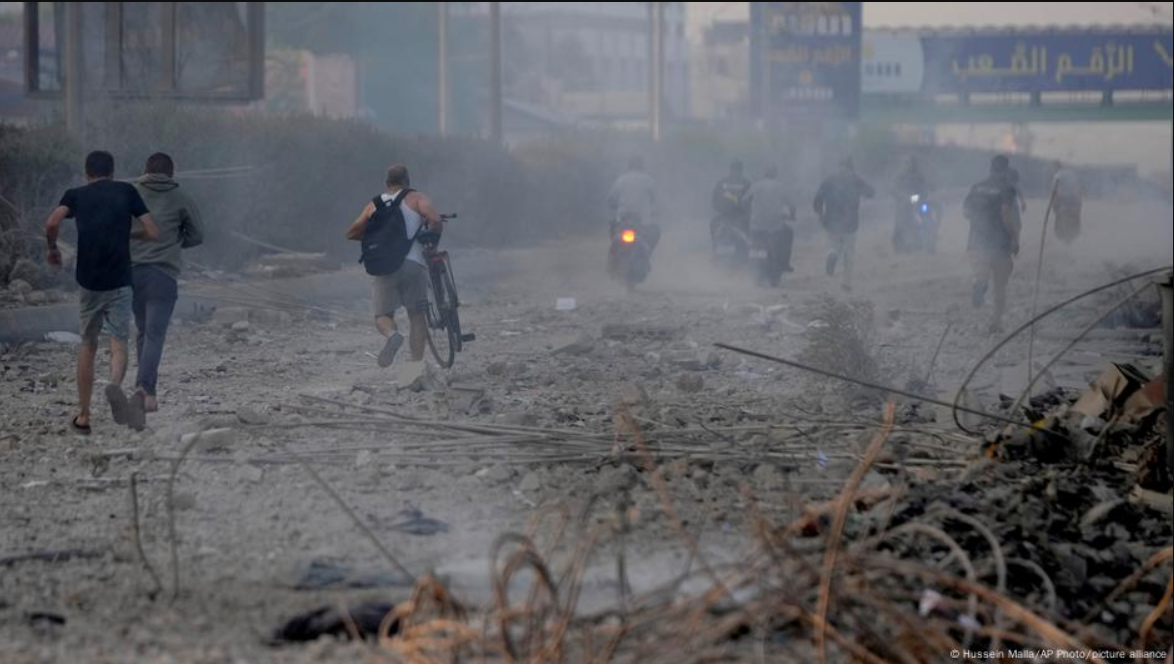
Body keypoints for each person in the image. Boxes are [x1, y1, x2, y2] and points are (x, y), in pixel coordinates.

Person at [44, 150, 159, 434]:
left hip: (89, 282)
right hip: (120, 280)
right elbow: (152, 231)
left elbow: (52, 222)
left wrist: (53, 249)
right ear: (113, 172)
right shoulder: (126, 191)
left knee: (88, 344)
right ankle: (114, 385)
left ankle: (83, 416)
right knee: (118, 341)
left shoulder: (76, 194)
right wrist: (129, 234)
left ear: (87, 173)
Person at [129, 152, 205, 416]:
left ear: (145, 169)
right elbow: (197, 235)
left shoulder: (131, 193)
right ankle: (145, 389)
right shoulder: (181, 197)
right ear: (172, 173)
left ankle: (147, 394)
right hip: (163, 275)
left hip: (133, 273)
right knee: (155, 334)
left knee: (142, 331)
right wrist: (174, 243)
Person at [346, 164, 442, 367]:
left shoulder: (374, 204)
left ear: (386, 183)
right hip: (413, 264)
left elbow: (352, 232)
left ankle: (392, 334)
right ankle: (415, 367)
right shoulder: (416, 198)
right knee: (417, 315)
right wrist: (432, 240)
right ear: (408, 181)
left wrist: (376, 237)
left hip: (383, 266)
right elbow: (434, 219)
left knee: (382, 316)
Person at [963, 155, 1021, 334]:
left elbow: (966, 212)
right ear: (1005, 170)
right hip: (1000, 243)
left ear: (990, 168)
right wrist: (1015, 238)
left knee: (981, 273)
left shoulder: (977, 187)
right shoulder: (1007, 189)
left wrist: (981, 221)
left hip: (977, 240)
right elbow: (1006, 214)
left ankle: (979, 283)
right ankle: (996, 323)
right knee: (1000, 285)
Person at [813, 157, 874, 290]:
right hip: (850, 223)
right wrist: (866, 193)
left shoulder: (829, 179)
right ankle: (846, 283)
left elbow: (817, 200)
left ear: (839, 165)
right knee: (849, 253)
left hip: (831, 222)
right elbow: (870, 192)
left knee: (833, 245)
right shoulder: (855, 179)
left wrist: (820, 214)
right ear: (851, 166)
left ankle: (832, 253)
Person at [744, 165, 795, 287]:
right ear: (775, 174)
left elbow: (744, 201)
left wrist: (749, 213)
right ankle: (785, 263)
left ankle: (753, 269)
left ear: (764, 173)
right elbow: (792, 205)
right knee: (789, 233)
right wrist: (792, 215)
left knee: (752, 244)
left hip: (756, 225)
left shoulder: (756, 185)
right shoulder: (781, 186)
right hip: (774, 225)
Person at [607, 155, 661, 251]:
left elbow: (611, 199)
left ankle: (614, 255)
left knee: (613, 231)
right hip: (643, 222)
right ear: (642, 166)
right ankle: (647, 254)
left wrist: (614, 206)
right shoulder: (648, 180)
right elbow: (657, 201)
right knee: (656, 230)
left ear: (629, 166)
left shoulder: (621, 180)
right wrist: (655, 210)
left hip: (622, 221)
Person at [710, 160, 752, 259]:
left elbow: (714, 200)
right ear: (741, 170)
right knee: (713, 225)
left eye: (736, 170)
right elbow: (752, 201)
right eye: (736, 169)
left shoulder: (722, 182)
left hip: (727, 216)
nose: (736, 172)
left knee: (713, 225)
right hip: (740, 217)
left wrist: (720, 208)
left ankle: (715, 249)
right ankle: (716, 249)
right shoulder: (747, 183)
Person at [892, 156, 929, 253]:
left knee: (928, 214)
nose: (911, 165)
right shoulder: (900, 176)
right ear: (905, 164)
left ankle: (926, 238)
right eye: (909, 163)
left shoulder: (920, 176)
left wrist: (919, 196)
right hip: (904, 202)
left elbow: (925, 189)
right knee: (900, 221)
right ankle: (899, 243)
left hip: (918, 202)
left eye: (913, 163)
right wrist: (903, 196)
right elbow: (894, 189)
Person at [1051, 161, 1082, 243]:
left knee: (1058, 215)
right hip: (1074, 200)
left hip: (1063, 200)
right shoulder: (1072, 174)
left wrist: (1054, 205)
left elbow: (1054, 191)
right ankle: (1072, 233)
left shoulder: (1057, 175)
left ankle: (1061, 233)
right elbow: (1078, 189)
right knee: (1075, 216)